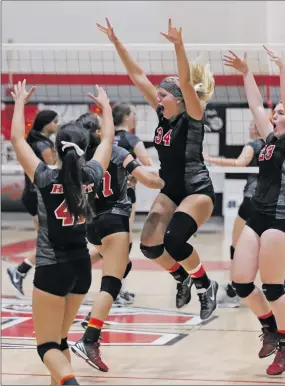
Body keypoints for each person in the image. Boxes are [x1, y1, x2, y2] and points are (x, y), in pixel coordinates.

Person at [97, 17, 218, 320]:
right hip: (171, 187)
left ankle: (205, 285)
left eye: (163, 94)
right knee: (150, 246)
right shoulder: (164, 114)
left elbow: (186, 82)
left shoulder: (192, 114)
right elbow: (138, 76)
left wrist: (178, 45)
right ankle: (183, 277)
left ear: (178, 99)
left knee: (175, 241)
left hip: (196, 188)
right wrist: (116, 42)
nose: (157, 97)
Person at [10, 80, 114, 385]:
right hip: (82, 267)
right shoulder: (93, 173)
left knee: (46, 346)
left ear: (55, 148)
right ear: (85, 149)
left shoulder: (43, 176)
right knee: (61, 339)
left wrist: (19, 102)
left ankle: (70, 382)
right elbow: (107, 137)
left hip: (51, 268)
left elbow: (17, 139)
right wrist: (105, 107)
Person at [224, 47, 285, 375]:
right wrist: (246, 72)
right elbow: (256, 105)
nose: (273, 115)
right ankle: (271, 328)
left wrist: (284, 68)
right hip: (258, 214)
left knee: (273, 285)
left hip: (281, 218)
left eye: (279, 113)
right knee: (242, 281)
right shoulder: (270, 138)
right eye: (273, 114)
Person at [71, 112, 164, 372]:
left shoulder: (78, 158)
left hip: (93, 225)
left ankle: (79, 280)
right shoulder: (115, 150)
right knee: (111, 284)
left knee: (122, 266)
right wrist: (169, 183)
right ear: (100, 133)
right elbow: (146, 179)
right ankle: (89, 338)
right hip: (114, 220)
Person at [205, 120, 264, 308]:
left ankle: (235, 289)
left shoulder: (253, 145)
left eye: (252, 124)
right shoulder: (274, 145)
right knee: (263, 245)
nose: (249, 126)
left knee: (236, 245)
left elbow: (240, 163)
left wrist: (210, 158)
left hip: (251, 200)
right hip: (269, 201)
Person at [7, 109, 58, 297]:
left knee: (49, 241)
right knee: (49, 241)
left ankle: (28, 272)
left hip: (33, 195)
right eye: (55, 121)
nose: (57, 125)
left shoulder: (35, 141)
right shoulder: (42, 144)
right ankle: (20, 270)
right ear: (47, 124)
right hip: (38, 196)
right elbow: (55, 168)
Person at [112, 102, 153, 304]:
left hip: (106, 194)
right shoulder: (131, 139)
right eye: (134, 114)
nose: (136, 118)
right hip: (126, 195)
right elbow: (148, 164)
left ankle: (119, 287)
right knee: (123, 243)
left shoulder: (106, 138)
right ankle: (116, 289)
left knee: (111, 242)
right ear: (126, 117)